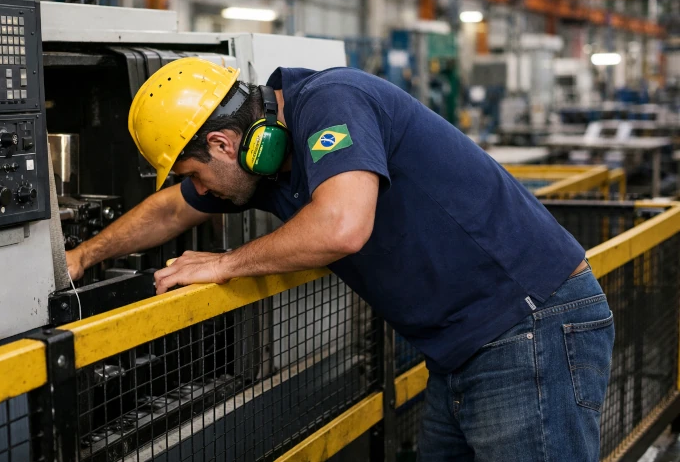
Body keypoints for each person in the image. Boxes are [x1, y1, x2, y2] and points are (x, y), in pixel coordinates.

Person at [66, 57, 614, 461]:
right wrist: (83, 256)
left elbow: (343, 226)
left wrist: (224, 263)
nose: (199, 188)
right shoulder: (265, 168)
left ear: (222, 145)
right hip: (463, 349)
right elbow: (169, 211)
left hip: (529, 325)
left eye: (194, 173)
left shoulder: (332, 99)